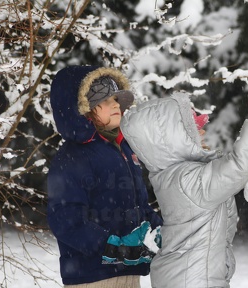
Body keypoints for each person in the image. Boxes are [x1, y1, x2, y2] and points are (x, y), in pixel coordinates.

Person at [120, 70, 248, 288]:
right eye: (191, 126)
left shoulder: (174, 176)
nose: (201, 129)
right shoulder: (185, 181)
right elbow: (238, 165)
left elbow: (231, 165)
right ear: (171, 139)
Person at [47, 65, 163, 288]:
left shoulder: (124, 149)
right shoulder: (73, 157)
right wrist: (110, 246)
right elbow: (64, 217)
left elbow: (140, 206)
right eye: (105, 99)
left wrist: (158, 230)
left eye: (117, 99)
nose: (115, 104)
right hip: (92, 276)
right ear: (82, 109)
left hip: (130, 271)